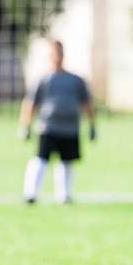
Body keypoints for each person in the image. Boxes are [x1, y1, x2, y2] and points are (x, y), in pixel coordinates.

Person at [19, 39, 95, 204]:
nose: (57, 56)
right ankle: (31, 194)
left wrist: (92, 125)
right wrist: (25, 125)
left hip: (70, 128)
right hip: (48, 127)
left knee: (67, 162)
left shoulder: (75, 80)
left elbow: (87, 103)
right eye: (54, 53)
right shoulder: (43, 79)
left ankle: (64, 195)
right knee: (41, 159)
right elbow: (30, 103)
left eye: (59, 53)